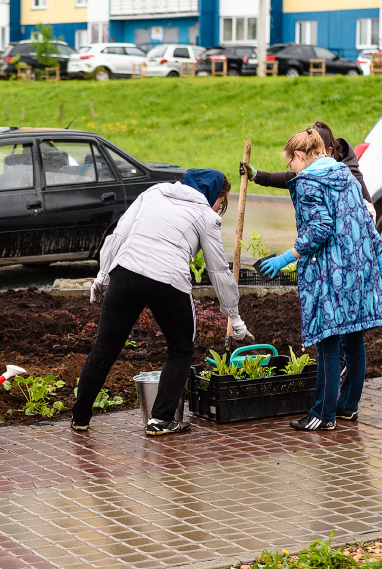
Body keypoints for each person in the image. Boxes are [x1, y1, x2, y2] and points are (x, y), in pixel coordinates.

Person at [74, 169, 252, 437]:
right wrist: (234, 315)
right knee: (181, 348)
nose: (218, 207)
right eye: (221, 200)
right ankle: (160, 419)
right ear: (214, 194)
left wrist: (102, 276)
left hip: (126, 273)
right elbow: (218, 271)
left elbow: (119, 234)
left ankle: (80, 416)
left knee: (104, 346)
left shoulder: (153, 192)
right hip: (167, 280)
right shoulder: (206, 215)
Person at [258, 129, 382, 431]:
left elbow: (320, 228)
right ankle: (347, 406)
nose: (290, 168)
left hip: (331, 273)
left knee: (328, 343)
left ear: (301, 156)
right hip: (360, 270)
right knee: (355, 341)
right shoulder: (346, 175)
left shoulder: (308, 182)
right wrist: (380, 265)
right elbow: (367, 222)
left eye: (290, 161)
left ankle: (323, 414)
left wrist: (286, 257)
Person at [248, 121, 375, 209]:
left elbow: (320, 228)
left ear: (329, 151)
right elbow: (291, 178)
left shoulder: (347, 174)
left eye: (315, 152)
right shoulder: (316, 172)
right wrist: (257, 176)